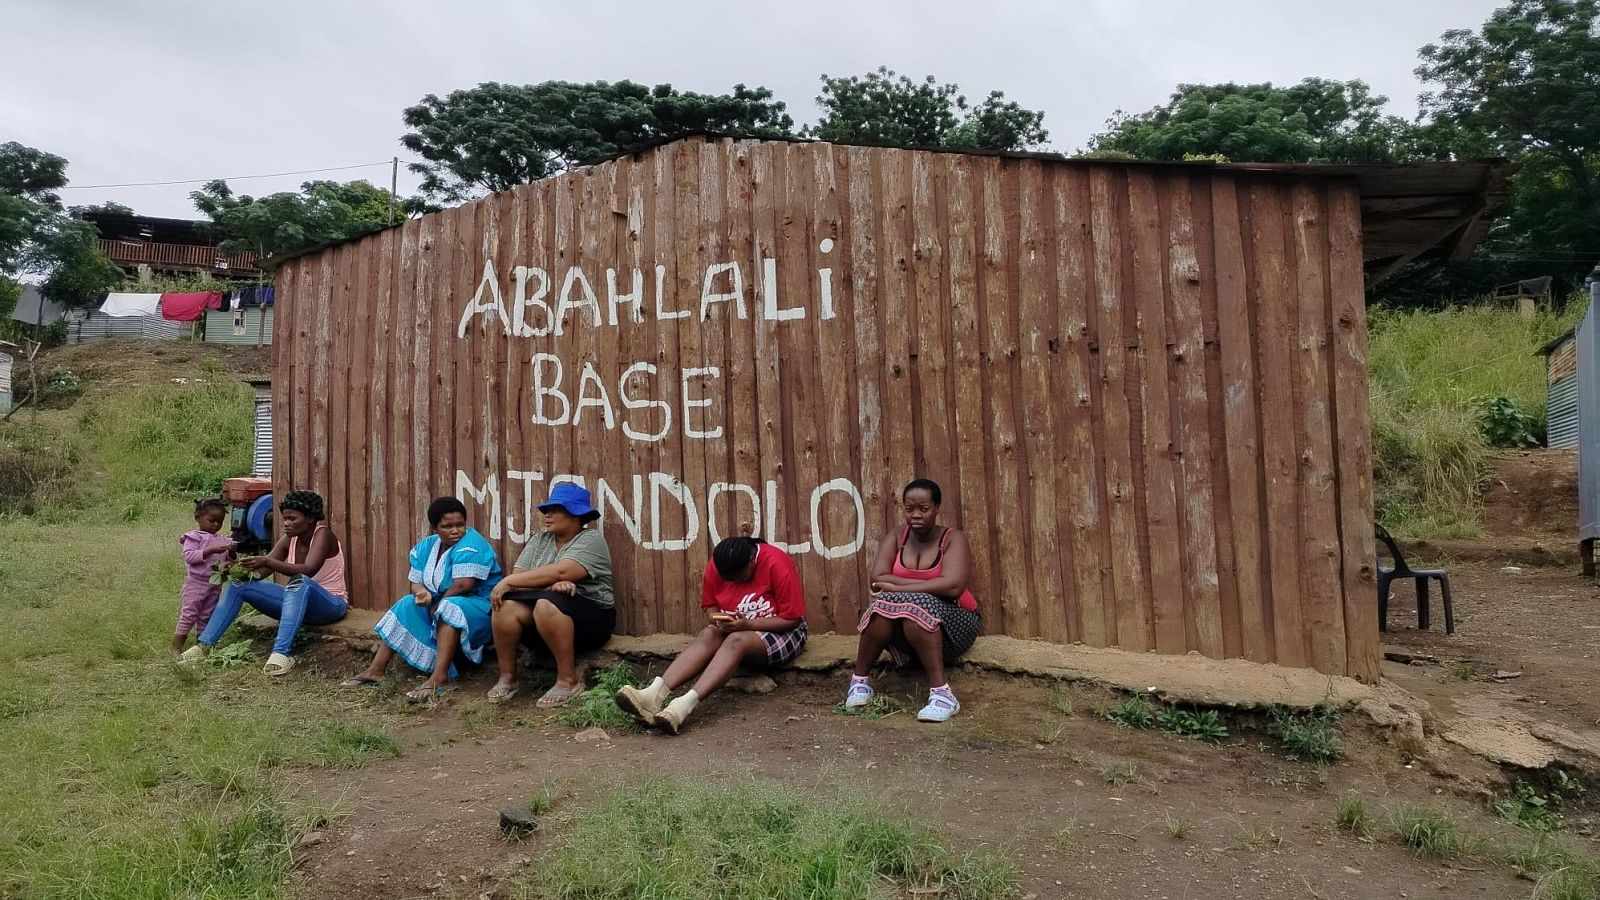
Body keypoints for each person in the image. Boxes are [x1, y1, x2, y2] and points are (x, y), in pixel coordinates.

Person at [615, 535, 807, 734]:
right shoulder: (717, 565)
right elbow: (710, 608)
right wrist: (718, 620)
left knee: (736, 640)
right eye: (728, 580)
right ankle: (654, 694)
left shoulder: (777, 563)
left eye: (739, 578)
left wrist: (748, 624)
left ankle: (683, 705)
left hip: (784, 631)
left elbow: (791, 618)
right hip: (739, 627)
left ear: (751, 562)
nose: (734, 583)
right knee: (709, 634)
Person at [844, 478, 980, 723]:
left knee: (915, 608)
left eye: (923, 509)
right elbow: (877, 578)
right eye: (910, 509)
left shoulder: (952, 539)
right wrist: (908, 590)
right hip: (908, 629)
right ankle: (859, 683)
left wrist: (898, 586)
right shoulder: (898, 536)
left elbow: (953, 586)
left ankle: (943, 694)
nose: (916, 515)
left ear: (937, 508)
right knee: (881, 610)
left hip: (955, 624)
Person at [342, 497, 503, 700]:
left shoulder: (472, 544)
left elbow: (464, 584)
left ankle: (440, 678)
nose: (455, 530)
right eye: (447, 526)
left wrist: (438, 603)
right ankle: (376, 670)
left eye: (460, 525)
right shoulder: (426, 547)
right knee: (406, 604)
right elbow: (415, 582)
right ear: (435, 528)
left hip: (479, 606)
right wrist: (421, 592)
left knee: (449, 607)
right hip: (444, 600)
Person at [179, 490, 350, 675]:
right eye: (285, 518)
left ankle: (281, 653)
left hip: (329, 606)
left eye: (292, 518)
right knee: (238, 585)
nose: (286, 523)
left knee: (300, 581)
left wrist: (267, 561)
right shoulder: (288, 540)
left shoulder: (323, 534)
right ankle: (204, 645)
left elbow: (308, 569)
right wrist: (237, 568)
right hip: (297, 606)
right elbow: (261, 573)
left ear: (310, 518)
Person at [487, 483, 614, 707]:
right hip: (544, 617)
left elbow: (561, 571)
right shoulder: (539, 540)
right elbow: (519, 578)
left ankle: (568, 680)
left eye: (556, 510)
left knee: (547, 604)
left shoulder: (591, 539)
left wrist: (511, 581)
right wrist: (548, 585)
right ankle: (508, 677)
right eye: (547, 510)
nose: (548, 515)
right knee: (505, 607)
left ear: (576, 514)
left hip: (592, 621)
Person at [172, 498, 235, 655]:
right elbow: (190, 556)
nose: (215, 525)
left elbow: (231, 560)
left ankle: (201, 646)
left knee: (206, 615)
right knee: (189, 614)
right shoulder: (194, 537)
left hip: (215, 585)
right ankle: (176, 648)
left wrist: (232, 552)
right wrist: (210, 550)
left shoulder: (223, 540)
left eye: (219, 522)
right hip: (196, 584)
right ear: (198, 518)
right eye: (212, 520)